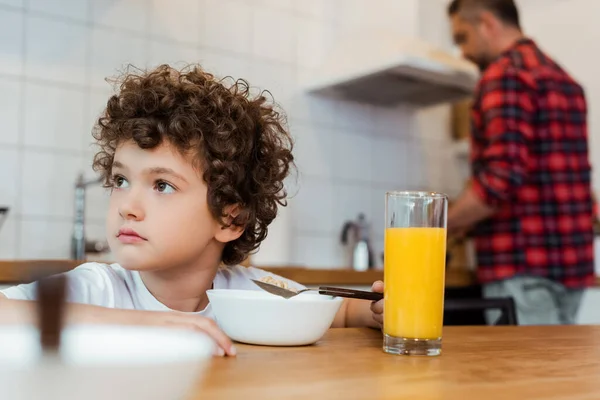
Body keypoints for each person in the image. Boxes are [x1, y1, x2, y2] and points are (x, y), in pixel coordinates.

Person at [0, 64, 385, 355]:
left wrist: (374, 312)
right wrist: (137, 324)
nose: (127, 207)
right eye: (120, 181)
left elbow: (334, 312)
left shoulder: (247, 292)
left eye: (162, 185)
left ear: (230, 218)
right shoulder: (99, 289)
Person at [446, 0, 594, 325]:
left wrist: (441, 226)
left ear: (487, 24)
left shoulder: (505, 75)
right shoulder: (565, 81)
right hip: (573, 266)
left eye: (463, 37)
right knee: (554, 374)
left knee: (526, 374)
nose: (463, 53)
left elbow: (500, 179)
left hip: (521, 264)